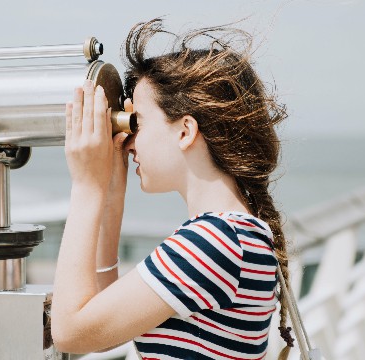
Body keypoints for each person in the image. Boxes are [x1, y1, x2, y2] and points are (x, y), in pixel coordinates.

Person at [51, 18, 293, 360]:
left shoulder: (215, 242)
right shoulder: (239, 234)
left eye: (139, 122)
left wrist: (86, 186)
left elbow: (69, 333)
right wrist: (111, 196)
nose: (130, 141)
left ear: (185, 131)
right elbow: (99, 334)